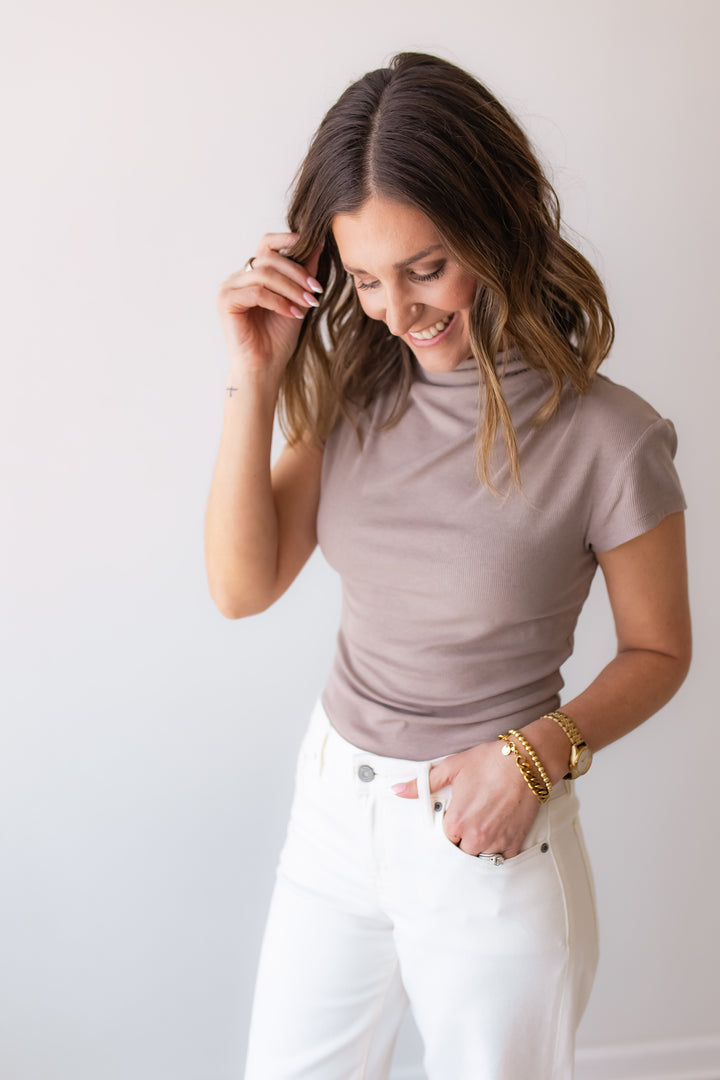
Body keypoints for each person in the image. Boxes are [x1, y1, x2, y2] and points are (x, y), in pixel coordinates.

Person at [204, 52, 691, 1080]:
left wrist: (533, 759)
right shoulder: (354, 398)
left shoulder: (612, 437)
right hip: (334, 810)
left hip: (488, 834)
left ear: (497, 223)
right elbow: (242, 588)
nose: (398, 311)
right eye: (368, 279)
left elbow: (659, 650)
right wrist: (256, 383)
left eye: (426, 268)